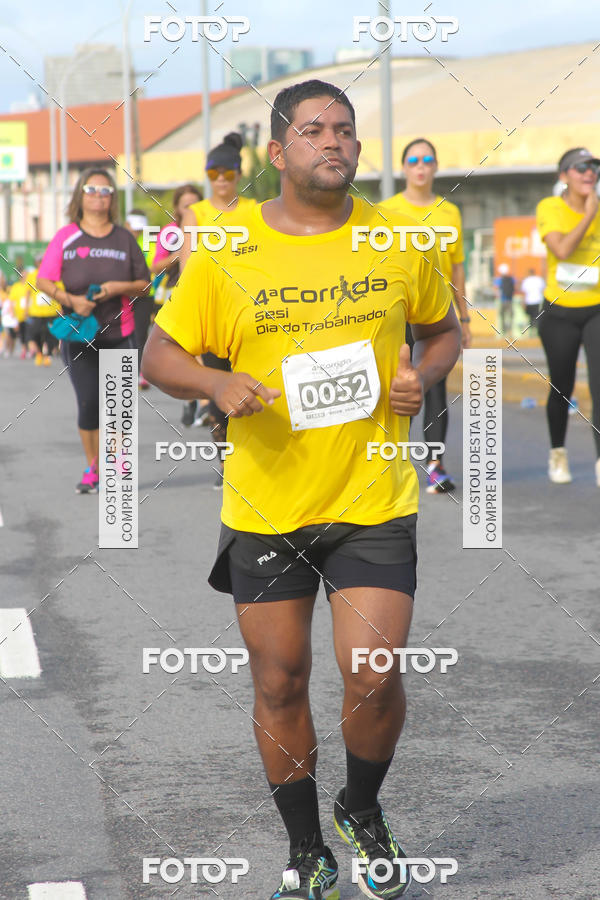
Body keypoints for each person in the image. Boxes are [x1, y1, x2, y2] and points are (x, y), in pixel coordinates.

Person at [142, 78, 461, 900]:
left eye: (345, 130)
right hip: (266, 504)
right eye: (315, 130)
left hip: (372, 498)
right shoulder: (228, 246)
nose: (334, 141)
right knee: (280, 682)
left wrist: (422, 377)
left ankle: (362, 807)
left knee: (373, 671)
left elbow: (444, 331)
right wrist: (214, 385)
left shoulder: (397, 240)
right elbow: (160, 356)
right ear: (279, 151)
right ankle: (307, 847)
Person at [37, 167, 150, 493]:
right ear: (80, 195)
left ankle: (115, 465)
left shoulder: (124, 238)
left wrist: (117, 287)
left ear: (112, 198)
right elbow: (43, 279)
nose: (98, 196)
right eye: (91, 189)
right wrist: (69, 299)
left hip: (120, 334)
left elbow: (144, 284)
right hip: (79, 334)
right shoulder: (66, 236)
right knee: (88, 404)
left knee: (119, 408)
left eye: (105, 190)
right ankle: (94, 467)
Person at [380, 137, 471, 493]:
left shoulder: (450, 213)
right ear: (404, 168)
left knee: (433, 387)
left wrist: (464, 318)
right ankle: (389, 462)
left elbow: (457, 268)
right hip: (397, 313)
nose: (421, 167)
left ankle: (436, 466)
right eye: (414, 160)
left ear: (435, 167)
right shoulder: (385, 210)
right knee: (392, 387)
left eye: (427, 160)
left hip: (436, 315)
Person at [179, 133, 256, 483]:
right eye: (214, 174)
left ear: (239, 174)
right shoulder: (196, 214)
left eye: (228, 173)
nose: (221, 180)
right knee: (218, 391)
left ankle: (252, 460)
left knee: (252, 386)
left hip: (251, 316)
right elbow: (187, 270)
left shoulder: (256, 210)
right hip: (213, 317)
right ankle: (226, 460)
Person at [536, 147, 600, 486]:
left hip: (596, 309)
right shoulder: (550, 207)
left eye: (594, 167)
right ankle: (557, 453)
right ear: (564, 176)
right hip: (559, 312)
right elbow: (561, 249)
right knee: (562, 386)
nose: (590, 172)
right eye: (581, 167)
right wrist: (589, 215)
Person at [149, 183, 203, 423]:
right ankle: (197, 400)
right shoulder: (170, 233)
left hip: (205, 294)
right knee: (186, 349)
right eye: (186, 205)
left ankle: (198, 400)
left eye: (195, 204)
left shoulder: (212, 227)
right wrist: (178, 255)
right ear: (177, 209)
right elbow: (155, 266)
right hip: (175, 294)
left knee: (201, 348)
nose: (191, 209)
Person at [125, 208, 156, 389]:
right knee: (119, 333)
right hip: (121, 294)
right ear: (126, 224)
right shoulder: (119, 240)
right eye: (134, 228)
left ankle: (138, 372)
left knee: (140, 333)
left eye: (140, 228)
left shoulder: (149, 242)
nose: (137, 232)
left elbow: (153, 266)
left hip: (144, 295)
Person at [25, 253, 61, 365]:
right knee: (35, 333)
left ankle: (48, 355)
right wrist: (26, 308)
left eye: (43, 261)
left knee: (51, 334)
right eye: (39, 261)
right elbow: (27, 292)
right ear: (36, 263)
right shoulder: (32, 275)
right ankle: (39, 353)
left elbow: (59, 291)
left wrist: (61, 307)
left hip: (51, 311)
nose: (41, 263)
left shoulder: (53, 274)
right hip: (36, 312)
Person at [520, 267, 545, 334]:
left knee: (531, 317)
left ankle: (531, 332)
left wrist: (523, 302)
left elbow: (524, 293)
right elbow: (543, 290)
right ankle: (536, 331)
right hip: (538, 301)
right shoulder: (539, 279)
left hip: (529, 301)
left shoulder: (526, 280)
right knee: (537, 317)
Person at [494, 263, 515, 335]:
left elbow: (496, 289)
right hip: (510, 300)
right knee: (510, 316)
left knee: (502, 316)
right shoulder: (511, 279)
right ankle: (510, 330)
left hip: (502, 300)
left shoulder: (499, 280)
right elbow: (515, 287)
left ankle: (503, 331)